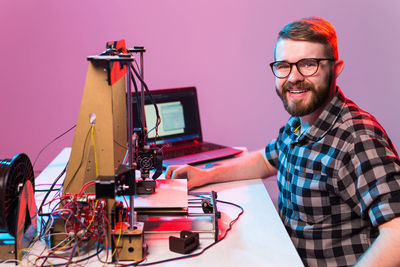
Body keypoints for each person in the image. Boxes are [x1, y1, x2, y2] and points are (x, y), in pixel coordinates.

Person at [166, 17, 400, 266]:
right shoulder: (300, 121)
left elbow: (397, 232)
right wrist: (204, 174)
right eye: (284, 66)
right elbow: (266, 160)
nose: (294, 77)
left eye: (308, 64)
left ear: (336, 67)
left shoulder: (357, 139)